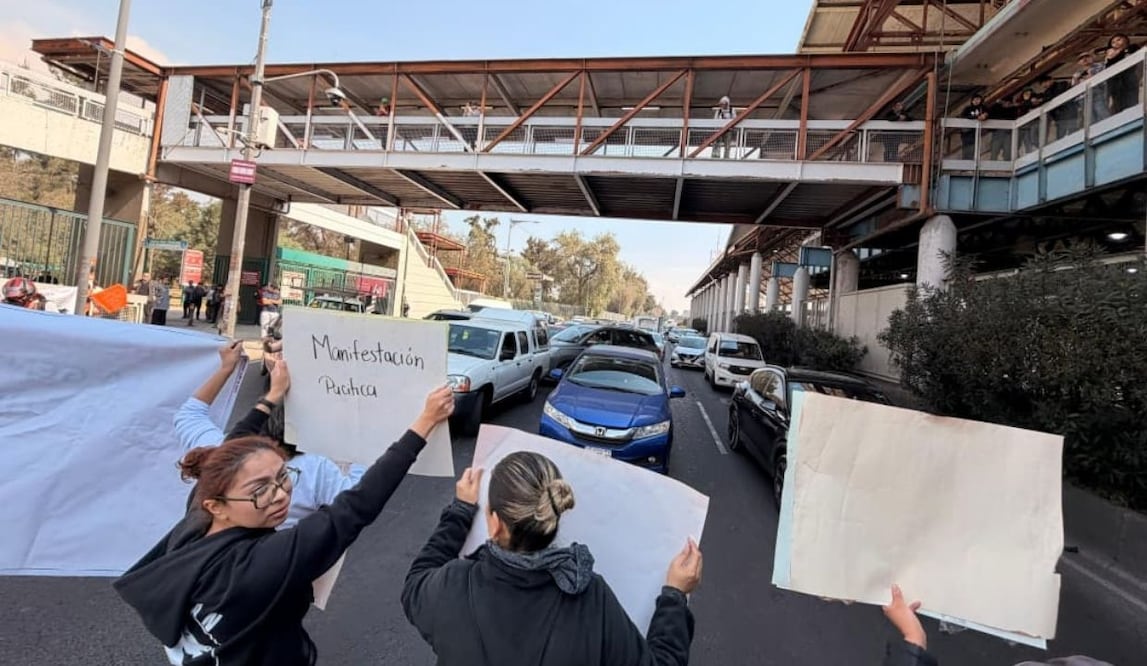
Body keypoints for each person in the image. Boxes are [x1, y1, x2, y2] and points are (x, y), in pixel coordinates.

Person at [115, 386, 454, 665]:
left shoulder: (198, 518)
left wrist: (271, 395)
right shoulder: (259, 565)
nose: (280, 496)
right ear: (217, 506)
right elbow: (353, 509)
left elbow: (232, 449)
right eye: (259, 490)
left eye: (282, 477)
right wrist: (421, 426)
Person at [402, 451, 701, 665]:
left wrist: (460, 511)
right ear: (554, 517)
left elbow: (415, 582)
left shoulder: (452, 585)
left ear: (494, 524)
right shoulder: (590, 599)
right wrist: (675, 596)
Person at [174, 344, 367, 526]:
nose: (280, 494)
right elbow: (357, 495)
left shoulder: (218, 451)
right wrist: (364, 439)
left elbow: (190, 413)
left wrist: (226, 368)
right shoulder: (315, 470)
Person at [959, 94, 988, 159]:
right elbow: (963, 117)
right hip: (967, 132)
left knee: (974, 148)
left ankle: (972, 160)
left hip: (976, 132)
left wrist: (985, 116)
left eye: (978, 99)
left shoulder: (982, 108)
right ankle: (966, 161)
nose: (976, 101)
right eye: (975, 99)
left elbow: (987, 113)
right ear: (972, 101)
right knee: (967, 148)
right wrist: (976, 117)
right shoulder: (968, 108)